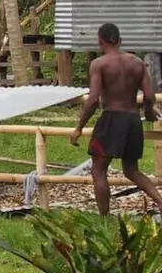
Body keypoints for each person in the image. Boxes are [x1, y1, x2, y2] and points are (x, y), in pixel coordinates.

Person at [69, 23, 162, 216]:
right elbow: (149, 95)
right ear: (120, 41)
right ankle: (160, 201)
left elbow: (93, 99)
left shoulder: (99, 64)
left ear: (100, 41)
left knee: (98, 170)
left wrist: (79, 127)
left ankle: (104, 218)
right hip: (133, 120)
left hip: (111, 119)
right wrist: (148, 110)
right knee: (132, 170)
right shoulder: (137, 63)